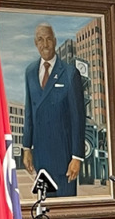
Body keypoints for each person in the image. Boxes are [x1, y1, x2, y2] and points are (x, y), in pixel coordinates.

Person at [22, 23, 85, 198]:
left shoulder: (70, 73)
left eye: (49, 39)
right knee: (45, 211)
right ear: (36, 43)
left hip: (64, 158)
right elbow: (29, 113)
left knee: (66, 213)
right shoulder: (30, 72)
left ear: (55, 41)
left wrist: (77, 157)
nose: (45, 44)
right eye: (40, 40)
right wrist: (26, 148)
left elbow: (78, 118)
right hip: (41, 155)